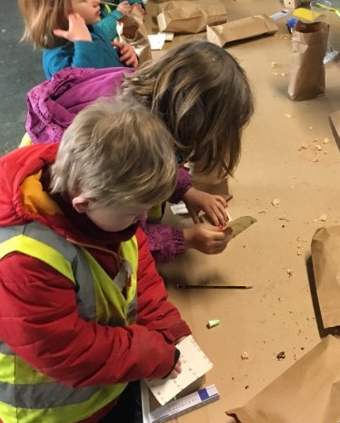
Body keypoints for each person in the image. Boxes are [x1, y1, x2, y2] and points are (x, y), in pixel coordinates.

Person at [0, 100, 191, 423]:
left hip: (104, 394)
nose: (141, 219)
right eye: (135, 212)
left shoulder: (109, 216)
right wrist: (150, 350)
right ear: (84, 202)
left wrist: (165, 324)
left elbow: (136, 264)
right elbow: (68, 352)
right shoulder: (21, 262)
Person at [25, 40, 255, 260]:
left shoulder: (142, 103)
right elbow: (120, 235)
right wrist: (185, 239)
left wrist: (186, 191)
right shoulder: (121, 147)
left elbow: (155, 162)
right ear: (189, 122)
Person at [17, 0, 138, 80]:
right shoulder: (57, 58)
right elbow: (82, 85)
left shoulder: (89, 29)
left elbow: (102, 65)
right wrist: (83, 43)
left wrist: (123, 58)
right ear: (57, 11)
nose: (97, 0)